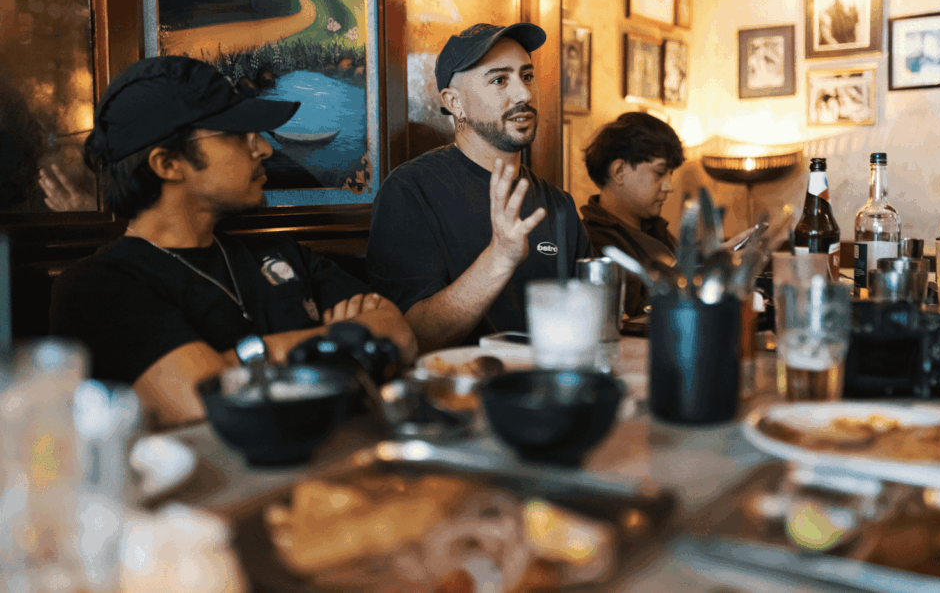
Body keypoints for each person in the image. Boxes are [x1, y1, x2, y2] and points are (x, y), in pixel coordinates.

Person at [51, 56, 417, 425]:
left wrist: (234, 361)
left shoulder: (282, 253)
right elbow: (202, 394)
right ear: (168, 164)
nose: (264, 149)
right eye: (236, 134)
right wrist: (343, 338)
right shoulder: (99, 286)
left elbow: (400, 336)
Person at [366, 23, 592, 352]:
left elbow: (589, 317)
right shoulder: (411, 190)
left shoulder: (557, 203)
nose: (523, 95)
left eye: (527, 76)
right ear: (454, 103)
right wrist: (499, 258)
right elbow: (411, 335)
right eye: (500, 80)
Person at [580, 112, 684, 317]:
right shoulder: (593, 243)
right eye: (660, 172)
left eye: (670, 174)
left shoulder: (655, 229)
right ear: (619, 171)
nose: (669, 186)